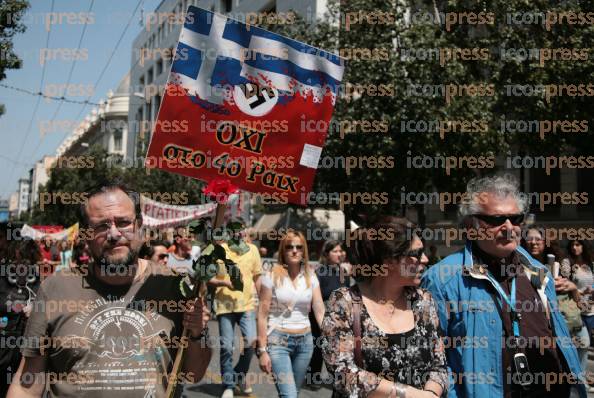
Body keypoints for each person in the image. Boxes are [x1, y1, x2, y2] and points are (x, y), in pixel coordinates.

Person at [7, 182, 211, 398]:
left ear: (140, 226)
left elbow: (193, 374)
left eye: (123, 223)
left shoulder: (173, 285)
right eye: (101, 226)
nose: (114, 234)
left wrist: (197, 333)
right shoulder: (55, 289)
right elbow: (27, 385)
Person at [422, 175, 586, 398]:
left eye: (516, 219)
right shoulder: (442, 279)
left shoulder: (538, 271)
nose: (509, 228)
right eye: (496, 219)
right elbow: (433, 360)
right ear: (471, 227)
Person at [320, 219, 446, 398]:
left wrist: (431, 394)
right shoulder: (344, 302)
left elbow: (439, 365)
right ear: (389, 261)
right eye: (416, 253)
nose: (425, 259)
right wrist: (408, 395)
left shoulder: (424, 300)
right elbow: (342, 373)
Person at [257, 230, 325, 398]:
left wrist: (333, 336)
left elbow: (319, 310)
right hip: (278, 341)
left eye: (299, 247)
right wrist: (262, 351)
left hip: (305, 342)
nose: (294, 250)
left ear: (304, 251)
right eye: (289, 247)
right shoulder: (271, 275)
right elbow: (262, 315)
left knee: (293, 392)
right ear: (283, 250)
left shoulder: (311, 276)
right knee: (289, 395)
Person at [522, 226, 590, 376]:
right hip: (546, 327)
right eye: (529, 239)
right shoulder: (521, 266)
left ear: (545, 241)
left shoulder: (560, 263)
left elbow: (577, 299)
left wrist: (572, 287)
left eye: (538, 239)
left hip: (572, 320)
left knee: (582, 354)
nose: (533, 243)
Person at [208, 219, 263, 398]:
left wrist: (265, 302)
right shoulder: (220, 249)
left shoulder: (253, 250)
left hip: (246, 305)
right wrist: (223, 282)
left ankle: (238, 375)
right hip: (225, 306)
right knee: (226, 346)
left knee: (251, 343)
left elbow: (257, 278)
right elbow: (208, 278)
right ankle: (228, 386)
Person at [306, 239, 350, 390]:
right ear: (327, 254)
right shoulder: (320, 272)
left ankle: (339, 378)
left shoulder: (344, 272)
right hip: (321, 316)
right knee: (319, 347)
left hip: (340, 317)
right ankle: (313, 376)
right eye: (335, 251)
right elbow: (316, 298)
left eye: (341, 251)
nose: (339, 254)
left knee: (338, 349)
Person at [0, 238, 41, 396]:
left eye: (29, 260)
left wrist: (35, 308)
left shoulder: (35, 276)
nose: (24, 264)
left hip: (25, 343)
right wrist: (16, 307)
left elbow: (42, 300)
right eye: (21, 258)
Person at [564, 241, 594, 352]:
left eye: (577, 245)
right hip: (575, 311)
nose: (574, 247)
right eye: (572, 245)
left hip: (590, 311)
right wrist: (581, 292)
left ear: (583, 246)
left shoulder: (590, 263)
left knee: (585, 346)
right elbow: (565, 288)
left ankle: (580, 369)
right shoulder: (567, 263)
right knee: (578, 345)